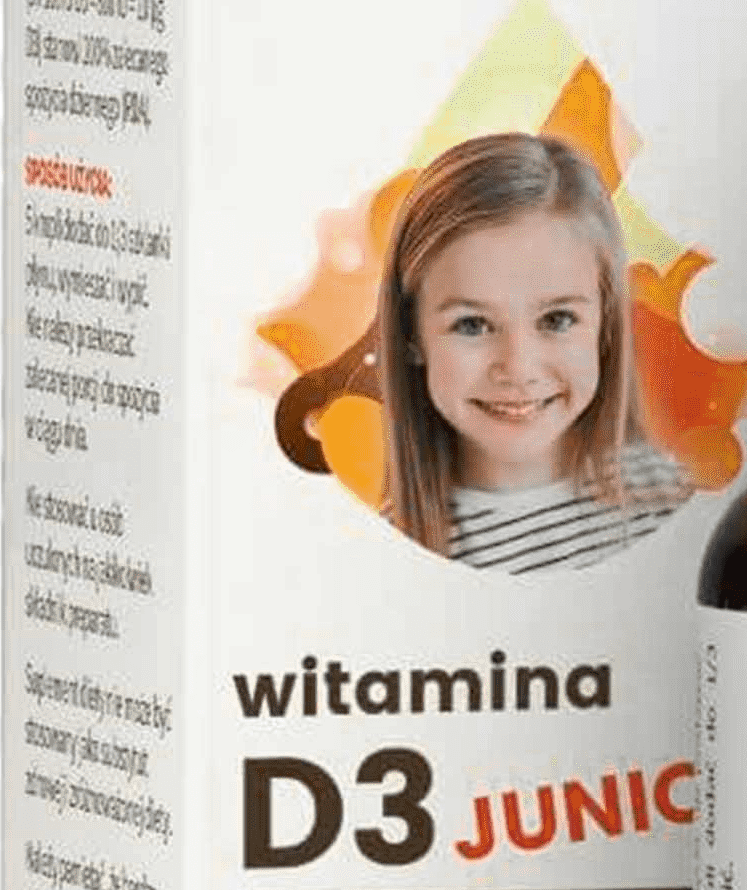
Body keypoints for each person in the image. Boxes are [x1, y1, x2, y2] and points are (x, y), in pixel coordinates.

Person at [272, 131, 681, 567]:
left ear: (609, 319)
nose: (520, 366)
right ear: (410, 334)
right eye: (471, 326)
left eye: (559, 320)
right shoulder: (376, 539)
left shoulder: (672, 530)